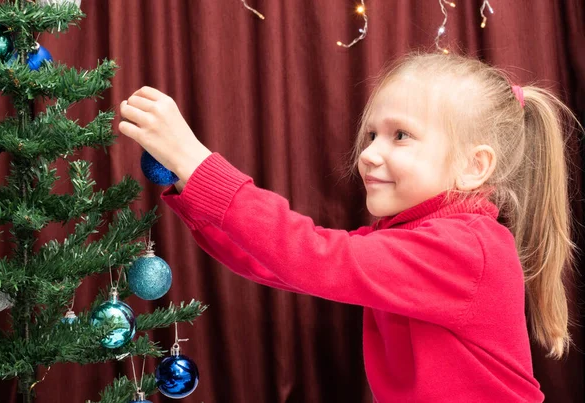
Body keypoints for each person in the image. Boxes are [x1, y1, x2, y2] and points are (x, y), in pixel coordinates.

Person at [118, 52, 580, 402]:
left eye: (400, 135)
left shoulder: (466, 249)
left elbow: (312, 257)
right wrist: (192, 186)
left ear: (473, 166)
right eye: (372, 134)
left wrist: (200, 166)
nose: (370, 153)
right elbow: (279, 264)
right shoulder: (407, 242)